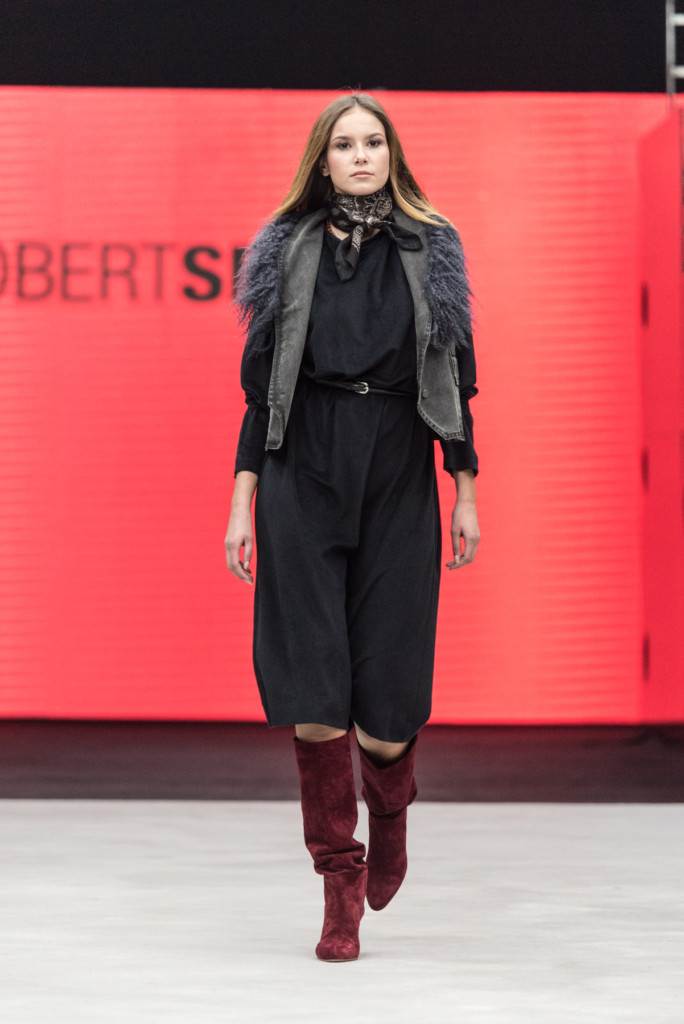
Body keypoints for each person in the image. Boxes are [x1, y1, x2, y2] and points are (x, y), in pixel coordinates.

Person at [224, 92, 481, 962]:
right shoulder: (286, 248)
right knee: (312, 691)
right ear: (322, 159)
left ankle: (392, 807)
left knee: (389, 703)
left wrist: (465, 488)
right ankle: (339, 883)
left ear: (391, 155)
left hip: (398, 467)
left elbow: (456, 374)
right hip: (303, 470)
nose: (362, 155)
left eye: (374, 141)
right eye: (345, 144)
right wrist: (241, 502)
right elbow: (261, 390)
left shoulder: (431, 247)